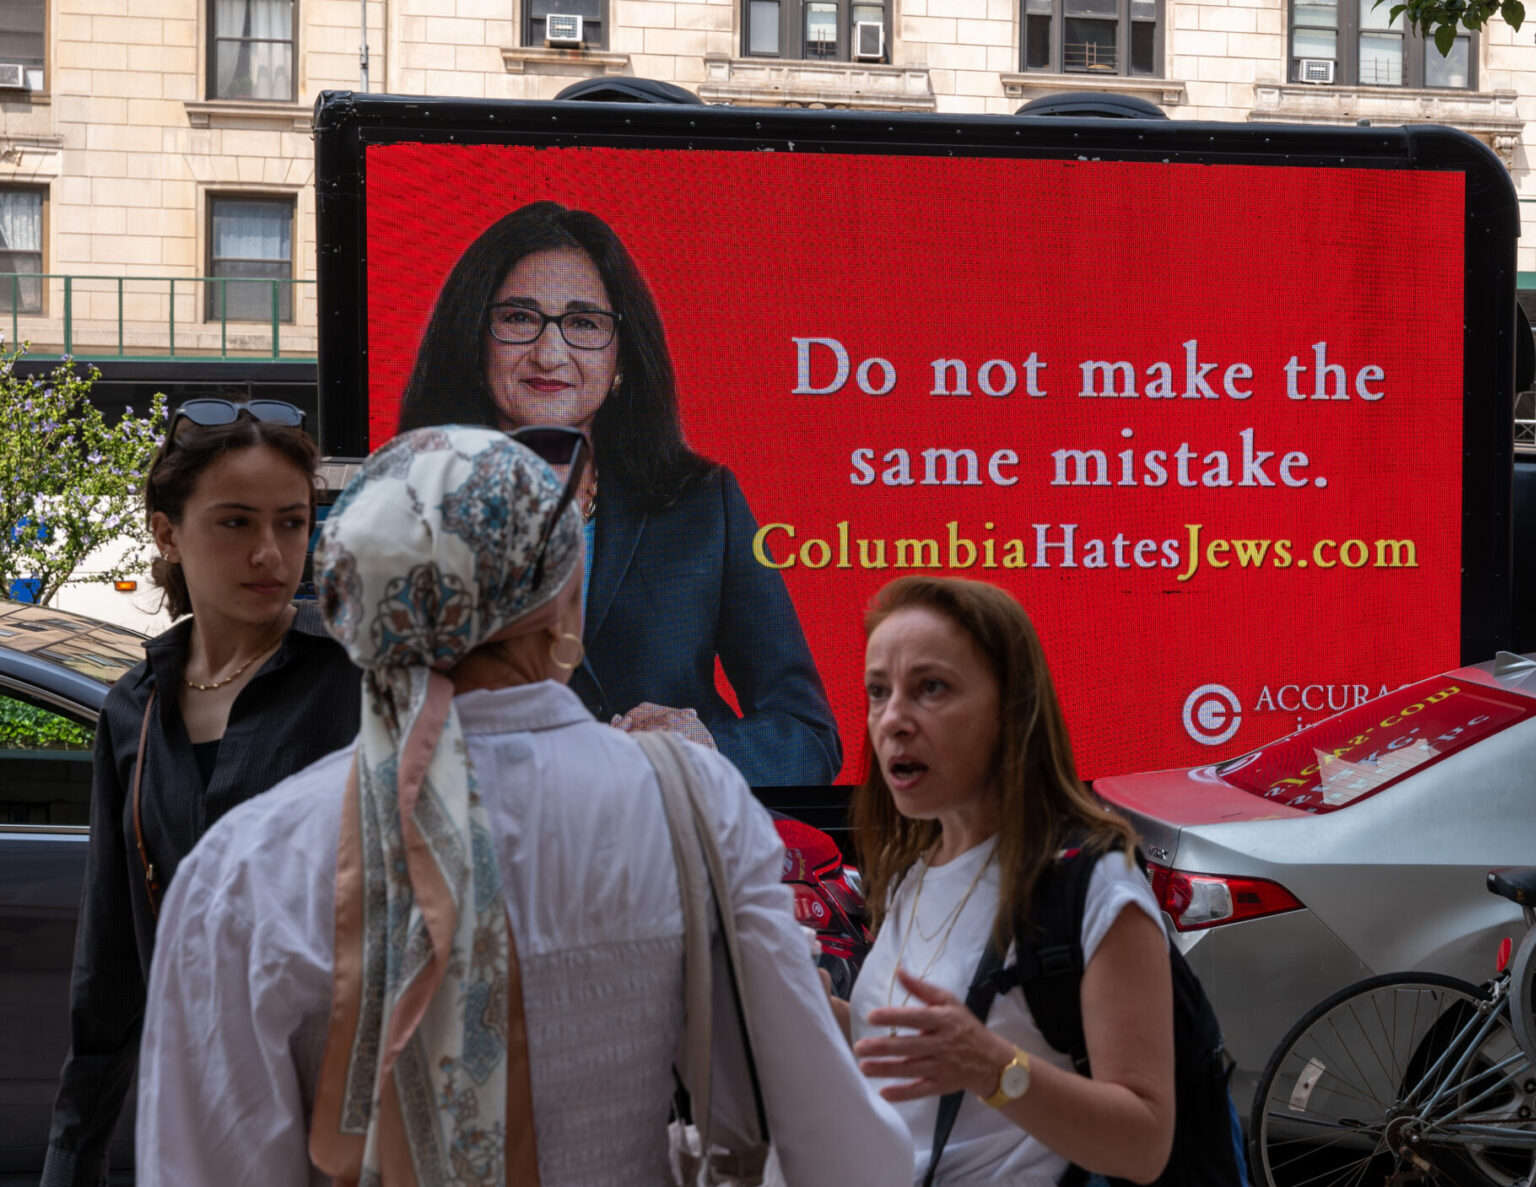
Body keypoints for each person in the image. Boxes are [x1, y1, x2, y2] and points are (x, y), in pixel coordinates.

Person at [131, 426, 911, 1186]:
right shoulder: (688, 803)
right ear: (567, 594)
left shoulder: (242, 869)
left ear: (354, 607)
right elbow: (842, 1154)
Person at [397, 199, 840, 787]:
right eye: (518, 318)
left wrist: (704, 748)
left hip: (670, 858)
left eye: (583, 323)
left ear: (621, 360)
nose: (549, 353)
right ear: (476, 345)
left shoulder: (705, 505)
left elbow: (809, 737)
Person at [42, 398, 363, 1187]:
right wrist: (72, 1155)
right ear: (165, 533)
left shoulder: (362, 680)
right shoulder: (134, 707)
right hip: (199, 1115)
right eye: (235, 523)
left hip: (347, 1118)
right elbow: (111, 959)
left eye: (292, 522)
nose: (271, 553)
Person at [845, 576, 1176, 1185]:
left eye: (931, 688)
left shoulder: (1096, 885)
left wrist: (994, 1068)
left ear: (1011, 707)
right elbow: (912, 1049)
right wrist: (802, 1006)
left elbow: (1144, 1142)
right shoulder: (915, 868)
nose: (892, 719)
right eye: (877, 691)